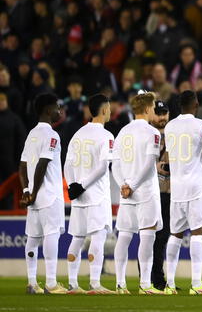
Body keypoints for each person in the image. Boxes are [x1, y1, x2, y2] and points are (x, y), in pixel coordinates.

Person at [163, 90, 202, 295]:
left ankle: (170, 284)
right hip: (196, 187)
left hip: (177, 188)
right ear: (195, 105)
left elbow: (167, 158)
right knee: (197, 232)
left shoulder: (169, 126)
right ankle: (196, 284)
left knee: (175, 234)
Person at [111, 92, 163, 295]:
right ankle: (144, 284)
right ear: (149, 108)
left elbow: (114, 163)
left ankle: (120, 284)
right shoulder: (153, 133)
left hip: (126, 193)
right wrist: (132, 185)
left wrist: (123, 184)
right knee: (147, 237)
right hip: (145, 191)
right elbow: (150, 163)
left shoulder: (122, 131)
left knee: (124, 236)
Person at [64, 94, 115, 294]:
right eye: (109, 108)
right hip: (96, 195)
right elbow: (103, 167)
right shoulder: (106, 136)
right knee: (98, 236)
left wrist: (72, 186)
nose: (110, 111)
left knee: (77, 237)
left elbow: (67, 164)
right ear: (103, 110)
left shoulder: (78, 134)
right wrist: (83, 185)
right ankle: (95, 283)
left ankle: (72, 284)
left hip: (79, 197)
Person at [20, 93, 66, 294]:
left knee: (33, 237)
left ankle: (32, 282)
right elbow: (43, 164)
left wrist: (27, 191)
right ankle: (51, 282)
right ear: (48, 110)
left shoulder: (32, 134)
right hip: (48, 195)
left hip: (34, 198)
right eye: (57, 107)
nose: (60, 111)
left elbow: (22, 166)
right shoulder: (52, 135)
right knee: (51, 235)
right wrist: (35, 192)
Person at [150, 100, 170, 290]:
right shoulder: (147, 134)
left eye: (164, 113)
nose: (162, 117)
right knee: (152, 237)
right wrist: (156, 166)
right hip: (153, 192)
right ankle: (150, 279)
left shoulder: (173, 134)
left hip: (170, 192)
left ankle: (161, 279)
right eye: (158, 113)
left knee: (164, 238)